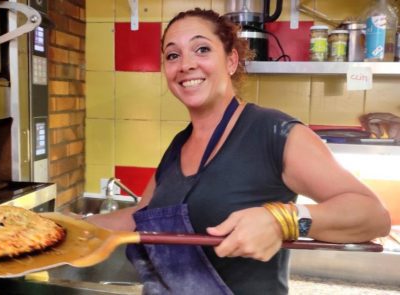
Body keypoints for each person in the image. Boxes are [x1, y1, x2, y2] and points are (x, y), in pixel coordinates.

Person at [86, 8, 391, 295]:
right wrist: (67, 224)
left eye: (202, 49)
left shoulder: (272, 132)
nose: (186, 64)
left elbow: (373, 215)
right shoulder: (179, 145)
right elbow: (144, 215)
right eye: (172, 55)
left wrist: (282, 219)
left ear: (231, 61)